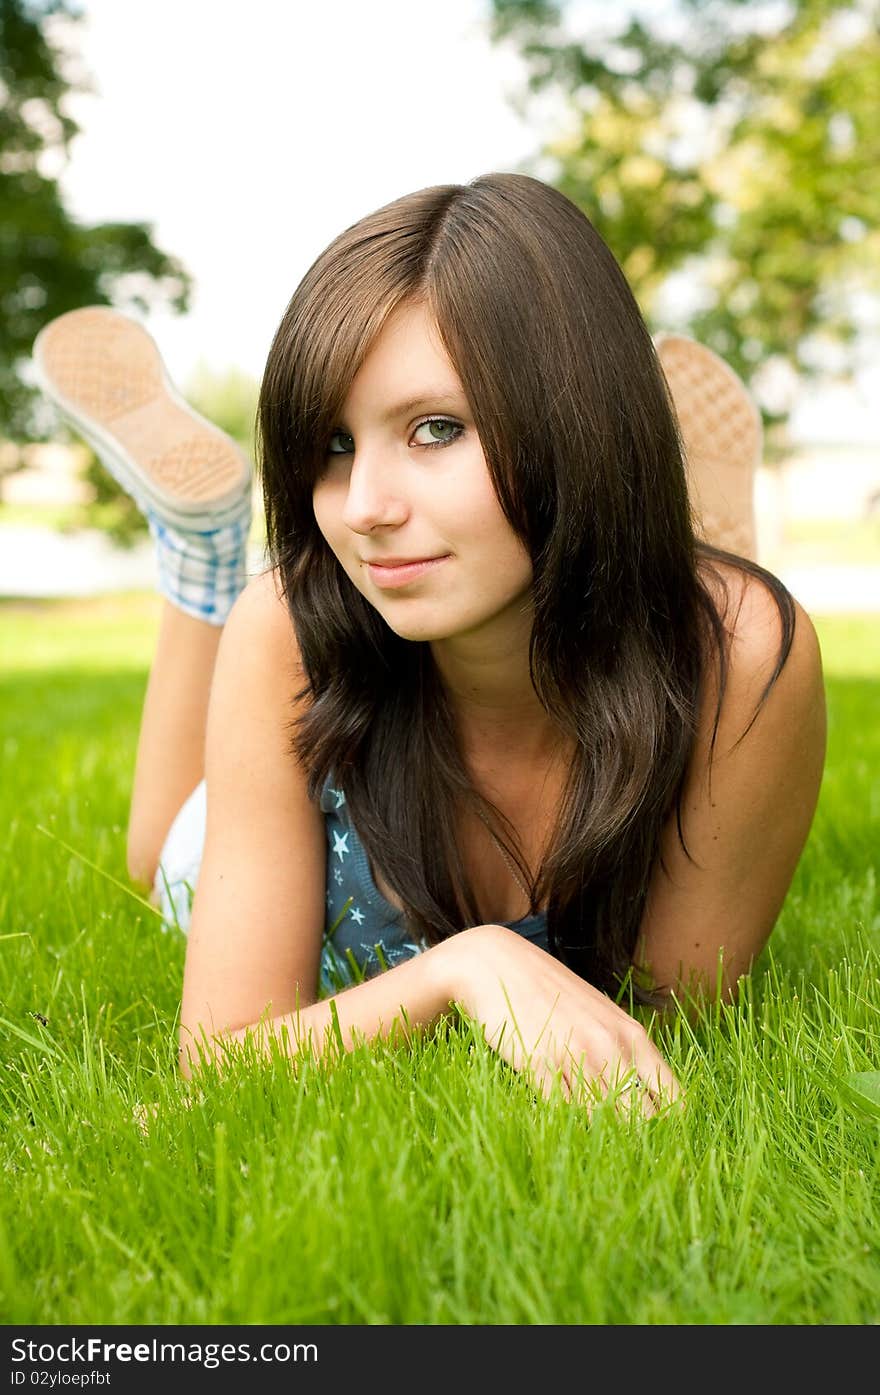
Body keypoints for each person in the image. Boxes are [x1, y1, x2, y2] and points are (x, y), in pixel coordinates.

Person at [32, 171, 826, 1118]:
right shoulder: (293, 624)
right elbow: (219, 1063)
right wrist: (469, 969)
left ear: (574, 418)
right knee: (158, 863)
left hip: (653, 625)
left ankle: (672, 540)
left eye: (436, 430)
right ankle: (201, 549)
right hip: (324, 702)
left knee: (712, 621)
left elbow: (671, 1030)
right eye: (332, 444)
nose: (365, 509)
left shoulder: (743, 660)